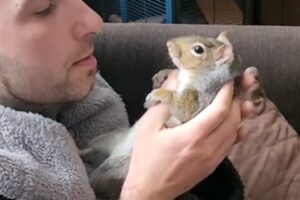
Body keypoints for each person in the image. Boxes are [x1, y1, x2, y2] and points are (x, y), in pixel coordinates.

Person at [0, 0, 256, 199]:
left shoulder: (84, 96)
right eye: (43, 8)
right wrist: (145, 193)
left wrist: (196, 158)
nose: (95, 21)